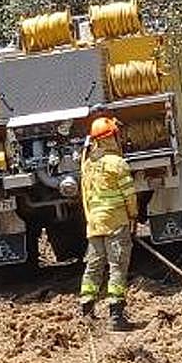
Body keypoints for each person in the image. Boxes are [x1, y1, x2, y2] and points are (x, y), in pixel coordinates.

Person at [78, 115, 138, 332]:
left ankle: (86, 310)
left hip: (94, 224)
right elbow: (129, 196)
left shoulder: (87, 166)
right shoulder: (118, 164)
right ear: (110, 137)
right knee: (117, 266)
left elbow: (85, 195)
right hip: (116, 222)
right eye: (115, 134)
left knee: (93, 265)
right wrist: (133, 216)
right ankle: (116, 314)